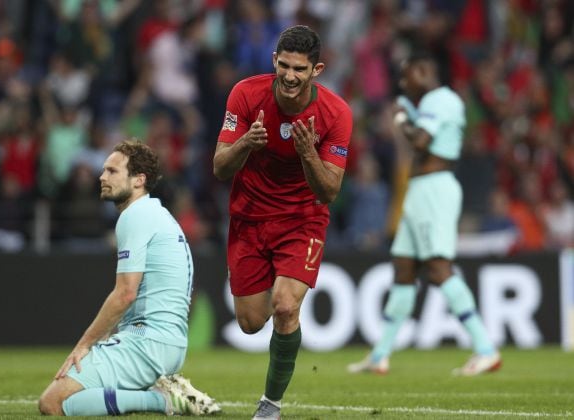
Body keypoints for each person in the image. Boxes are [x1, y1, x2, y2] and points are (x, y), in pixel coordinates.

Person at [213, 25, 353, 419]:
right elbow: (220, 167)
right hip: (250, 218)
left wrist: (308, 153)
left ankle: (270, 406)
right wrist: (246, 142)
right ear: (275, 60)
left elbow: (328, 192)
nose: (290, 76)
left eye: (300, 69)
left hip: (301, 220)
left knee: (286, 306)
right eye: (285, 65)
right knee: (250, 322)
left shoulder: (336, 114)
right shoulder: (245, 94)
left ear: (317, 70)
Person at [347, 51, 502, 377]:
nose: (403, 83)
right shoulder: (436, 102)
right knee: (404, 268)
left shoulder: (439, 99)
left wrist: (403, 117)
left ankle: (485, 349)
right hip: (420, 191)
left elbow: (420, 141)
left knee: (438, 267)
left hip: (434, 189)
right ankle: (380, 355)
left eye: (407, 76)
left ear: (423, 71)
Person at [38, 140, 220, 416]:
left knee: (52, 403)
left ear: (139, 180)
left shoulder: (135, 216)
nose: (102, 177)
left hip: (147, 343)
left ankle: (165, 400)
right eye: (103, 170)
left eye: (112, 171)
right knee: (83, 396)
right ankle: (161, 391)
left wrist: (84, 345)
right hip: (165, 343)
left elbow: (126, 293)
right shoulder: (157, 213)